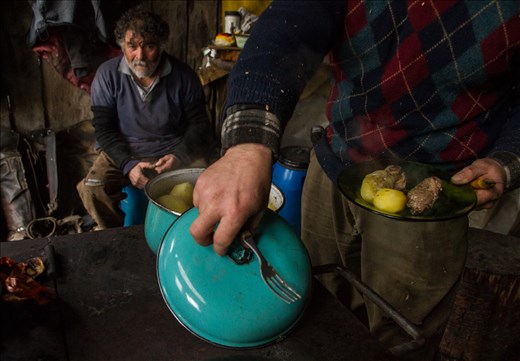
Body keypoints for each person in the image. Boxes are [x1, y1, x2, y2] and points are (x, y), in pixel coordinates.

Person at [188, 1, 520, 359]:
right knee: (315, 303)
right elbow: (290, 22)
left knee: (400, 338)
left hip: (429, 199)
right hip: (335, 165)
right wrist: (248, 145)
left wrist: (509, 159)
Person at [77, 6, 214, 230]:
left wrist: (179, 156)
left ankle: (184, 235)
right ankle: (112, 237)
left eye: (149, 46)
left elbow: (200, 125)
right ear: (123, 45)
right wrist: (129, 164)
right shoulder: (107, 75)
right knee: (92, 187)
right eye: (132, 46)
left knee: (205, 185)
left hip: (171, 150)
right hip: (124, 151)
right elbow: (104, 129)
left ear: (161, 46)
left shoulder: (183, 76)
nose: (139, 56)